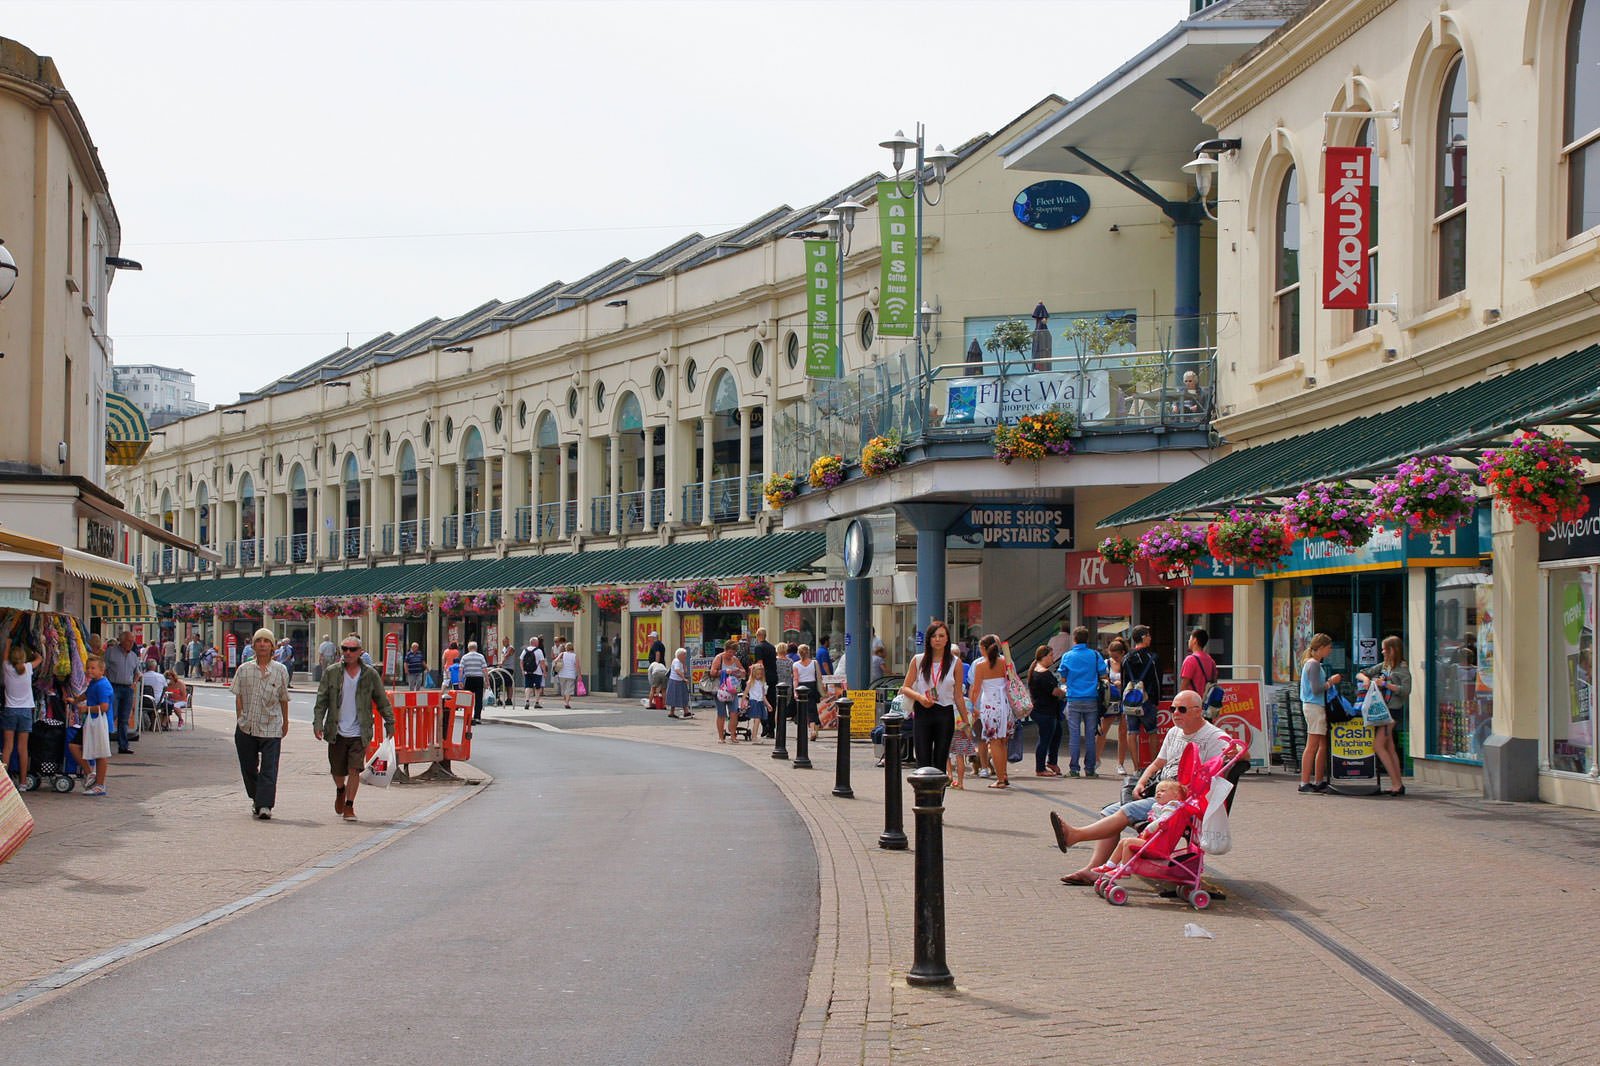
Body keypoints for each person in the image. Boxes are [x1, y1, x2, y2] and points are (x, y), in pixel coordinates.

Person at [1049, 690, 1232, 885]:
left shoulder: (1213, 736)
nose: (1175, 713)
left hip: (1179, 804)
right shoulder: (1174, 732)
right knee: (1109, 811)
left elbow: (1239, 752)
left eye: (1182, 709)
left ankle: (1075, 836)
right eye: (1172, 709)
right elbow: (1157, 763)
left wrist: (1236, 753)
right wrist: (1142, 782)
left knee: (1127, 810)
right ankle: (1092, 870)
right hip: (1160, 793)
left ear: (1198, 711)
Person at [312, 635, 394, 822]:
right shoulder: (331, 672)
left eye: (352, 649)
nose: (347, 653)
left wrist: (389, 721)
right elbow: (321, 700)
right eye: (344, 648)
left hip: (360, 730)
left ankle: (349, 805)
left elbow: (382, 700)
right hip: (336, 730)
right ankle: (340, 789)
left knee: (354, 769)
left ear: (360, 652)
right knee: (337, 771)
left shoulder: (370, 674)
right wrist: (318, 722)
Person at [234, 628, 290, 820]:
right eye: (259, 641)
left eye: (267, 641)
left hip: (271, 725)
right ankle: (257, 797)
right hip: (247, 726)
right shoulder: (244, 669)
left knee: (269, 767)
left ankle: (265, 804)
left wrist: (285, 721)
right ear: (253, 646)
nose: (263, 645)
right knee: (248, 767)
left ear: (273, 646)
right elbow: (238, 696)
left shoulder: (280, 670)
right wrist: (240, 717)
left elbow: (283, 698)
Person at [898, 620, 967, 778]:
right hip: (923, 712)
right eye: (934, 636)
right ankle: (923, 800)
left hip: (945, 713)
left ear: (947, 639)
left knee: (941, 759)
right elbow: (905, 687)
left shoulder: (955, 663)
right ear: (928, 639)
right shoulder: (918, 660)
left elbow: (958, 696)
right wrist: (920, 698)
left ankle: (938, 800)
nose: (937, 639)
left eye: (941, 636)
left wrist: (965, 722)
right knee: (923, 759)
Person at [1357, 635, 1410, 797]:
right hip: (1382, 709)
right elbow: (1361, 673)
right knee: (1389, 747)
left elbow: (1405, 690)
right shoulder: (1384, 666)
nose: (1382, 651)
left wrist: (1386, 684)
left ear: (1393, 650)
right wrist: (1366, 680)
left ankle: (1396, 783)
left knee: (1378, 746)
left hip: (1391, 711)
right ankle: (1398, 784)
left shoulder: (1402, 668)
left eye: (1385, 649)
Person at [1098, 780, 1190, 870]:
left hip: (1159, 847)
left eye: (1163, 791)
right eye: (1157, 791)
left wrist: (1148, 830)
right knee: (1123, 841)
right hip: (1154, 843)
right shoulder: (1161, 807)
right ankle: (1110, 865)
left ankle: (1125, 868)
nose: (1158, 793)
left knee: (1128, 842)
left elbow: (1163, 821)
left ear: (1176, 795)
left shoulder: (1172, 808)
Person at [1057, 625, 1108, 777]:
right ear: (1087, 639)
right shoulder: (1095, 655)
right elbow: (1103, 674)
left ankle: (1074, 769)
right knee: (1090, 736)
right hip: (1091, 698)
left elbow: (1063, 677)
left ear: (1074, 639)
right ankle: (1090, 769)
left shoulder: (1067, 656)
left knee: (1074, 735)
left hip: (1073, 698)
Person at [968, 634, 1016, 789]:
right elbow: (1012, 679)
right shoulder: (1005, 662)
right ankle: (1004, 774)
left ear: (983, 649)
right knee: (1003, 742)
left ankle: (1001, 778)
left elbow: (975, 689)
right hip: (1005, 706)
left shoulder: (981, 666)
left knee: (994, 742)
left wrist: (972, 708)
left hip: (990, 707)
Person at [1299, 633, 1340, 794]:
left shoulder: (1313, 664)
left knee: (1321, 744)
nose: (1330, 651)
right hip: (1314, 705)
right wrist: (1331, 682)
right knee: (1313, 745)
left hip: (1315, 705)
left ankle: (1318, 780)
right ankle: (1305, 782)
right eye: (1328, 648)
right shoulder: (1314, 665)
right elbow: (1316, 689)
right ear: (1321, 648)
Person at [1121, 625, 1162, 773]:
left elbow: (1124, 681)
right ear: (1143, 637)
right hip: (1147, 700)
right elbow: (1157, 681)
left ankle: (1136, 767)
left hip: (1131, 700)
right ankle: (1153, 766)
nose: (1150, 638)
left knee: (1132, 732)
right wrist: (1156, 699)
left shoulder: (1126, 658)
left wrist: (1123, 700)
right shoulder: (1153, 658)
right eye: (1149, 635)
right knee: (1152, 732)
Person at [71, 655, 114, 796]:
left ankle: (100, 784)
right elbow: (87, 694)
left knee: (100, 753)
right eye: (88, 668)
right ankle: (90, 773)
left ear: (102, 670)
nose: (89, 671)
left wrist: (86, 709)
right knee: (74, 746)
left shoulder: (102, 685)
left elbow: (104, 707)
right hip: (91, 722)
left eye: (93, 668)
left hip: (99, 722)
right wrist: (76, 700)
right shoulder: (95, 683)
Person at [3, 645, 43, 790]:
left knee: (8, 747)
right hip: (26, 711)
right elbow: (40, 658)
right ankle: (23, 782)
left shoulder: (7, 667)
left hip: (10, 710)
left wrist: (9, 639)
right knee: (22, 748)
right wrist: (33, 650)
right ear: (24, 658)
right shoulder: (28, 668)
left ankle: (4, 782)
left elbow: (5, 654)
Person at [1028, 644, 1064, 777]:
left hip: (1045, 709)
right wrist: (1063, 692)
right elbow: (1054, 691)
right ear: (1043, 657)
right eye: (1050, 655)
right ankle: (1040, 768)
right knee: (1045, 738)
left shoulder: (1036, 670)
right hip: (1045, 710)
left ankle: (1052, 762)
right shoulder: (1043, 674)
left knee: (1057, 733)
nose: (1052, 658)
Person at [103, 631, 140, 756]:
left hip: (127, 689)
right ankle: (104, 744)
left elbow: (137, 672)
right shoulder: (111, 652)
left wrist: (134, 683)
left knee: (124, 719)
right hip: (114, 686)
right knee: (111, 716)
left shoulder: (133, 656)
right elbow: (104, 668)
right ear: (121, 641)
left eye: (132, 641)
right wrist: (107, 682)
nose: (131, 643)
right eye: (128, 641)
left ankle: (123, 746)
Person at [1100, 637, 1131, 775]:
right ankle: (1095, 759)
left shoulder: (1127, 663)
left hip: (1125, 698)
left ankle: (1120, 763)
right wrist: (1111, 682)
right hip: (1110, 699)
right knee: (1103, 729)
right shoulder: (1106, 663)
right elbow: (1102, 679)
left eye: (1117, 657)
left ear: (1123, 653)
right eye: (1112, 656)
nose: (1114, 659)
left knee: (1123, 731)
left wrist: (1122, 683)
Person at [710, 638, 746, 743]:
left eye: (733, 652)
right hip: (721, 689)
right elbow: (712, 672)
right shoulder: (719, 658)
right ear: (725, 650)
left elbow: (743, 671)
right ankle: (721, 737)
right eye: (729, 652)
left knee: (734, 712)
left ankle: (733, 736)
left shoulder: (735, 659)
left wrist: (739, 671)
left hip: (734, 689)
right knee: (721, 714)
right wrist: (724, 671)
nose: (731, 654)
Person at [1179, 627, 1219, 712]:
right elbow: (1214, 682)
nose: (1188, 641)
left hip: (1191, 705)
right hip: (1207, 706)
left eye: (1190, 638)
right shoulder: (1211, 661)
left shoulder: (1190, 660)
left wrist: (1179, 703)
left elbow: (1184, 685)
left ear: (1194, 640)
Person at [749, 628, 779, 738]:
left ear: (758, 636)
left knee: (759, 701)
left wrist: (753, 671)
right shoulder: (772, 647)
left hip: (764, 678)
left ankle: (765, 724)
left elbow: (760, 664)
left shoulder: (758, 647)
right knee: (771, 703)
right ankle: (771, 729)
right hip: (773, 677)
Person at [792, 643, 822, 741]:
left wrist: (795, 692)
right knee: (812, 710)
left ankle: (802, 733)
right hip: (812, 687)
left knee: (802, 711)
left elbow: (795, 679)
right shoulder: (814, 663)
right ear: (808, 652)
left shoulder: (795, 665)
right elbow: (819, 677)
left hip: (801, 687)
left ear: (799, 653)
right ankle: (812, 731)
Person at [458, 640, 489, 724]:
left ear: (468, 648)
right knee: (478, 699)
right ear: (476, 648)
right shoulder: (481, 657)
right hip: (479, 678)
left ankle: (468, 716)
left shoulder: (465, 657)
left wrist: (460, 680)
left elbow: (461, 669)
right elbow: (485, 669)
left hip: (469, 679)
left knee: (468, 699)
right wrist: (487, 680)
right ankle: (477, 717)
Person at [742, 661, 768, 739]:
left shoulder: (762, 682)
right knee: (757, 719)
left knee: (757, 720)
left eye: (761, 674)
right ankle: (754, 737)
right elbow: (745, 693)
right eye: (757, 674)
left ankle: (754, 735)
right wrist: (742, 702)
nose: (759, 676)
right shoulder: (751, 682)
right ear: (753, 674)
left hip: (760, 702)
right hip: (754, 701)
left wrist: (767, 704)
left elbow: (763, 695)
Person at [141, 661, 167, 730]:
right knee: (167, 704)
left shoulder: (142, 676)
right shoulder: (161, 676)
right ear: (155, 667)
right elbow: (165, 688)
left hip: (143, 702)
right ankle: (159, 724)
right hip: (157, 702)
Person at [555, 639, 581, 709]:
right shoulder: (574, 656)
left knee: (563, 690)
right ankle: (567, 702)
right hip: (571, 675)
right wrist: (579, 675)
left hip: (562, 674)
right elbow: (577, 666)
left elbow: (555, 660)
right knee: (569, 689)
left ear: (566, 648)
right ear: (572, 648)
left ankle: (565, 701)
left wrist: (560, 663)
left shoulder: (562, 654)